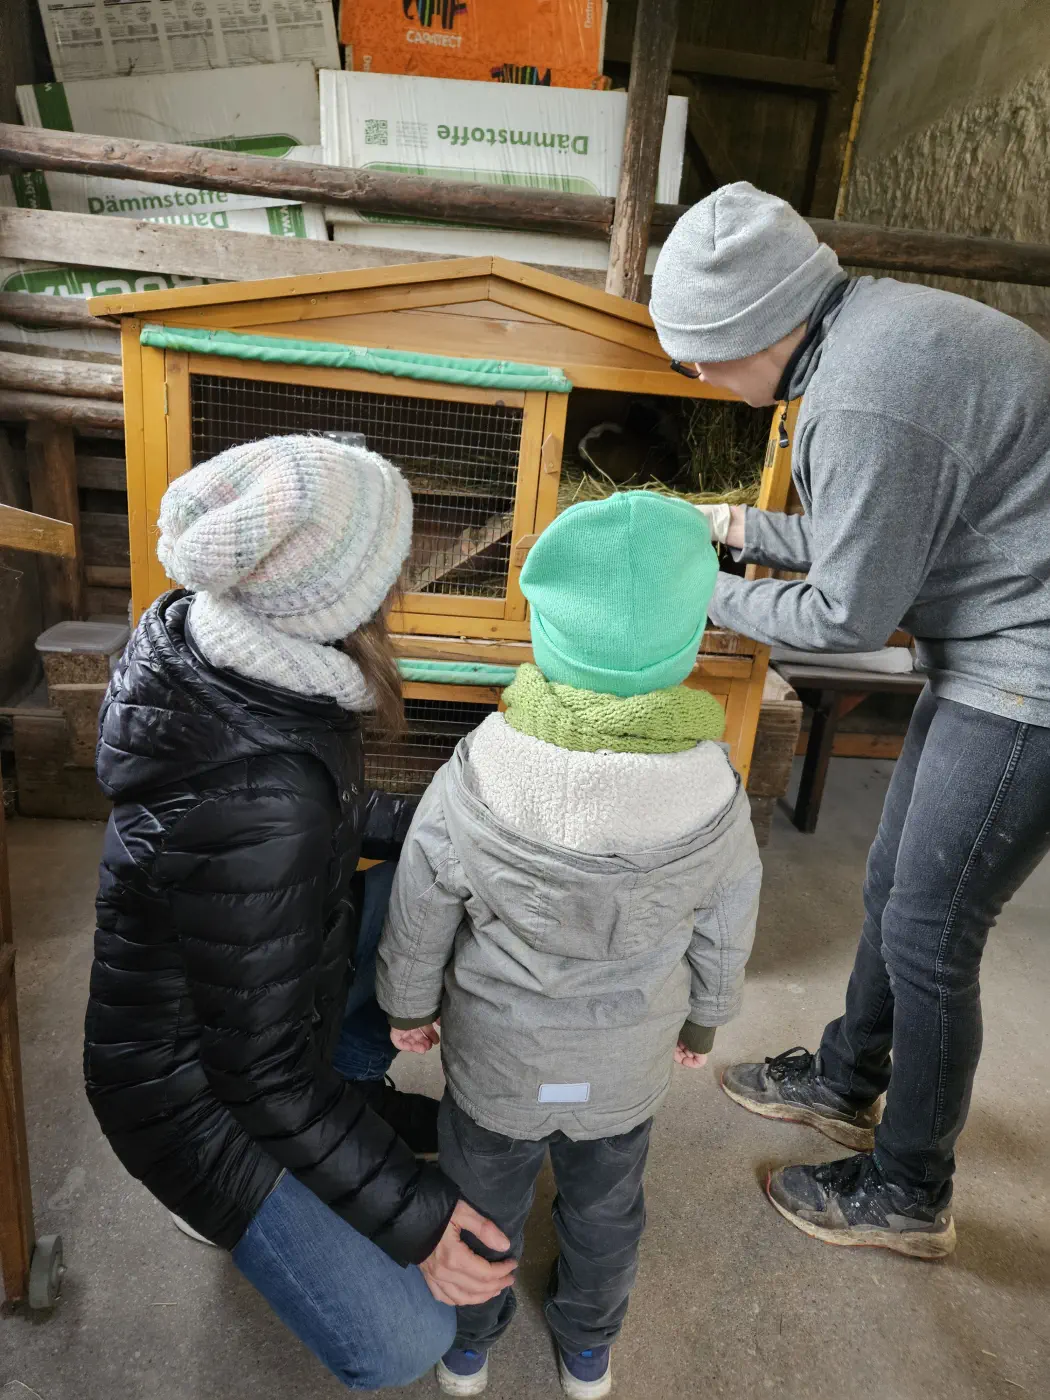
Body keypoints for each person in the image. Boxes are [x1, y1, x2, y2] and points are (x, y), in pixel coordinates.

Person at [649, 181, 1050, 1259]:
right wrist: (731, 524)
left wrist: (686, 591)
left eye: (694, 354)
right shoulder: (866, 332)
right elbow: (871, 531)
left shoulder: (864, 392)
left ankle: (910, 1188)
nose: (695, 376)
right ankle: (844, 1081)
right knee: (895, 884)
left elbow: (846, 612)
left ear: (751, 328)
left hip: (1035, 665)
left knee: (931, 925)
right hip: (992, 629)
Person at [85, 435, 515, 1390]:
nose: (406, 576)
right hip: (185, 1097)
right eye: (391, 564)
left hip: (243, 1010)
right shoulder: (269, 791)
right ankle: (242, 1201)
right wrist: (420, 1222)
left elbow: (323, 821)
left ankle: (351, 1089)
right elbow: (262, 1077)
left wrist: (440, 825)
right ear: (334, 600)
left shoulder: (229, 647)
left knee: (420, 875)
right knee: (409, 1339)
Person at [375, 492, 763, 1397]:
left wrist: (407, 1004)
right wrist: (706, 1022)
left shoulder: (483, 763)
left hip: (499, 1064)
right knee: (605, 1203)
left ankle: (469, 1344)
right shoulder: (713, 786)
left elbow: (421, 899)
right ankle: (588, 1347)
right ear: (685, 643)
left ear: (549, 629)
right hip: (627, 1065)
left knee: (480, 1198)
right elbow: (728, 914)